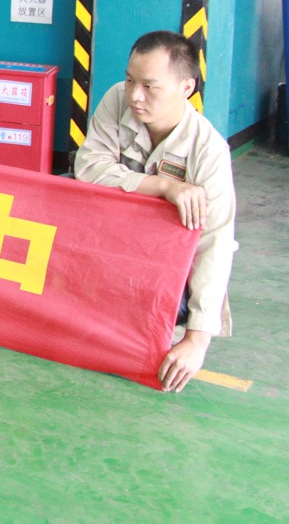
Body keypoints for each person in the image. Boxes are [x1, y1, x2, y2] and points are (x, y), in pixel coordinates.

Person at [74, 31, 237, 393]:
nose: (134, 94)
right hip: (114, 243)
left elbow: (215, 241)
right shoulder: (117, 99)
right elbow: (89, 167)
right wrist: (164, 187)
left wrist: (197, 340)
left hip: (163, 261)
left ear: (186, 87)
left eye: (149, 86)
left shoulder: (209, 151)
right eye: (130, 80)